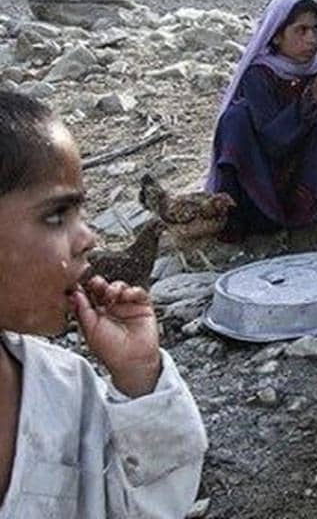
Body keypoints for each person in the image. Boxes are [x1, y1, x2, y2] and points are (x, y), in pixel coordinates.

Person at [0, 90, 207, 518]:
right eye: (57, 215)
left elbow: (140, 507)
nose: (90, 238)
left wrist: (140, 377)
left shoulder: (65, 390)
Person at [206, 0, 317, 241]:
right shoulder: (258, 75)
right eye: (301, 30)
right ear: (276, 35)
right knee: (235, 119)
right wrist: (309, 100)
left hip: (306, 175)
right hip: (262, 178)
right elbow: (274, 140)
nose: (312, 39)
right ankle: (237, 219)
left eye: (316, 29)